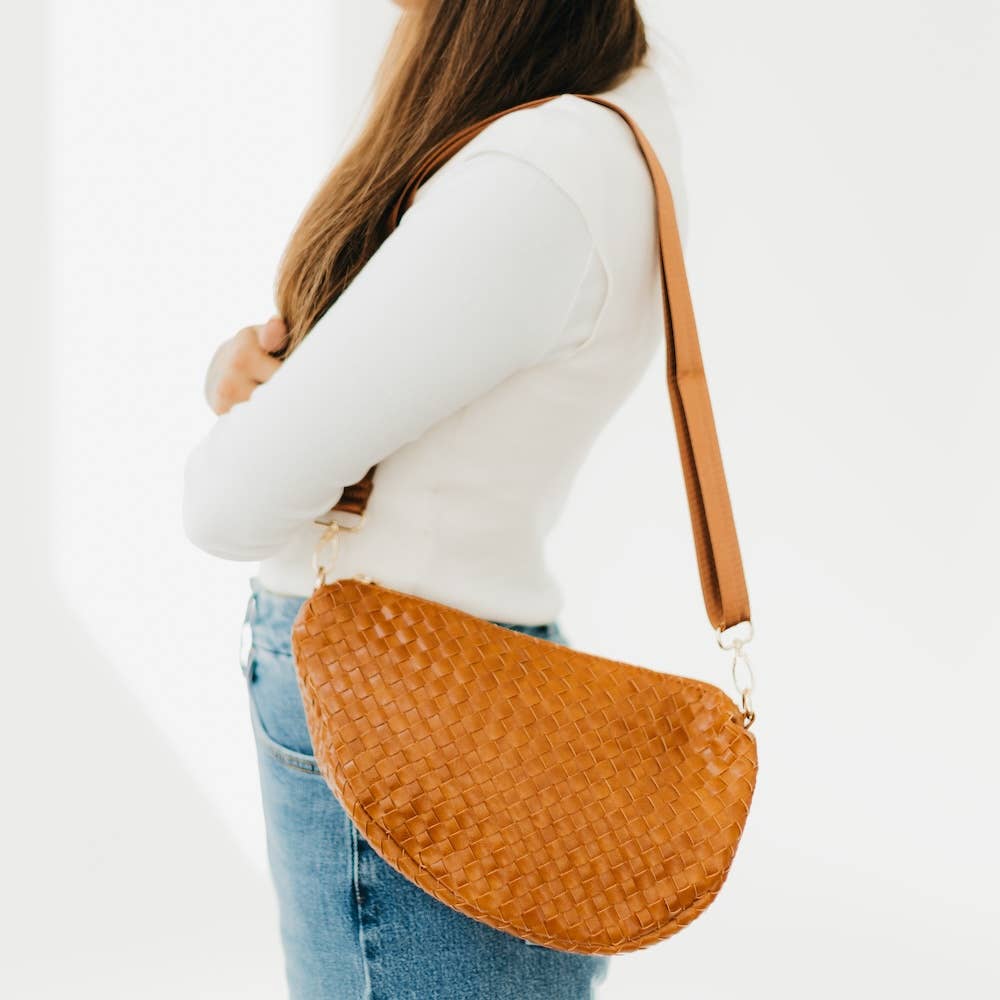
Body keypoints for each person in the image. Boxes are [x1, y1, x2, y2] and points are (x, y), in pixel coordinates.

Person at [182, 2, 689, 997]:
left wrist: (248, 425)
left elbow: (225, 506)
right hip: (460, 671)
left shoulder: (537, 166)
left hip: (394, 697)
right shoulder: (603, 113)